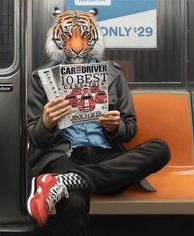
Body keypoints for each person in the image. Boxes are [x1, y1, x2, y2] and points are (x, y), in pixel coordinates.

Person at [27, 8, 170, 236]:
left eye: (84, 35)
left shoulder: (113, 74)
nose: (76, 45)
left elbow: (130, 128)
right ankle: (68, 180)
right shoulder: (40, 78)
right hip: (64, 156)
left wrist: (115, 127)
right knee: (73, 202)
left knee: (160, 149)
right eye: (66, 36)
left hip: (105, 155)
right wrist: (46, 123)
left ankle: (66, 182)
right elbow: (34, 138)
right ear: (55, 37)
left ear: (95, 36)